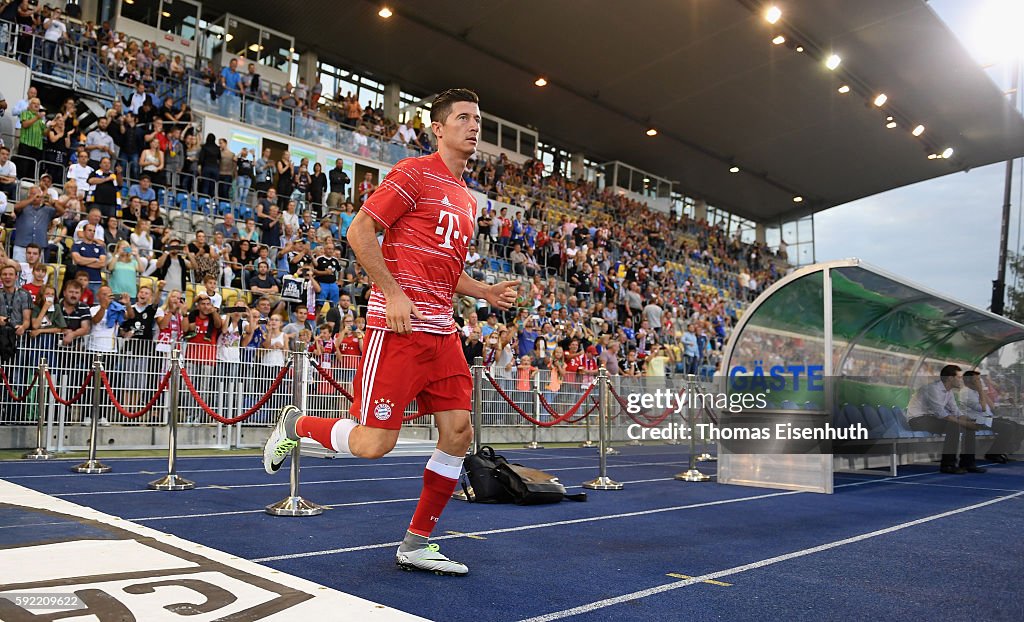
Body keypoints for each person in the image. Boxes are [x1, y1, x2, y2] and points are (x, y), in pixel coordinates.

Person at [263, 89, 517, 575]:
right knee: (374, 443)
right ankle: (296, 426)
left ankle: (417, 542)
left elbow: (445, 269)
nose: (473, 125)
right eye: (462, 117)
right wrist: (394, 293)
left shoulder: (467, 199)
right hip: (395, 327)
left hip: (442, 333)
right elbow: (359, 232)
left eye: (477, 118)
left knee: (459, 433)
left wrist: (482, 291)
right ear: (438, 128)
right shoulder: (412, 172)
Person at [905, 365, 985, 474]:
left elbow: (956, 411)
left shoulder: (949, 391)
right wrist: (964, 423)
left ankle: (968, 463)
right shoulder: (933, 389)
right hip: (917, 420)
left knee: (969, 428)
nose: (961, 380)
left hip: (931, 419)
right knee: (954, 426)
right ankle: (948, 465)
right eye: (959, 377)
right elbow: (941, 414)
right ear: (950, 378)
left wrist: (970, 421)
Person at [961, 371, 1023, 463]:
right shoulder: (966, 393)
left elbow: (993, 407)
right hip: (977, 420)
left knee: (1018, 426)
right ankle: (993, 453)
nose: (980, 381)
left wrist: (982, 392)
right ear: (969, 381)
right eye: (977, 380)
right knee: (1007, 427)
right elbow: (981, 408)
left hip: (988, 418)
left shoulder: (977, 391)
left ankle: (1006, 449)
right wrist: (981, 391)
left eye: (979, 379)